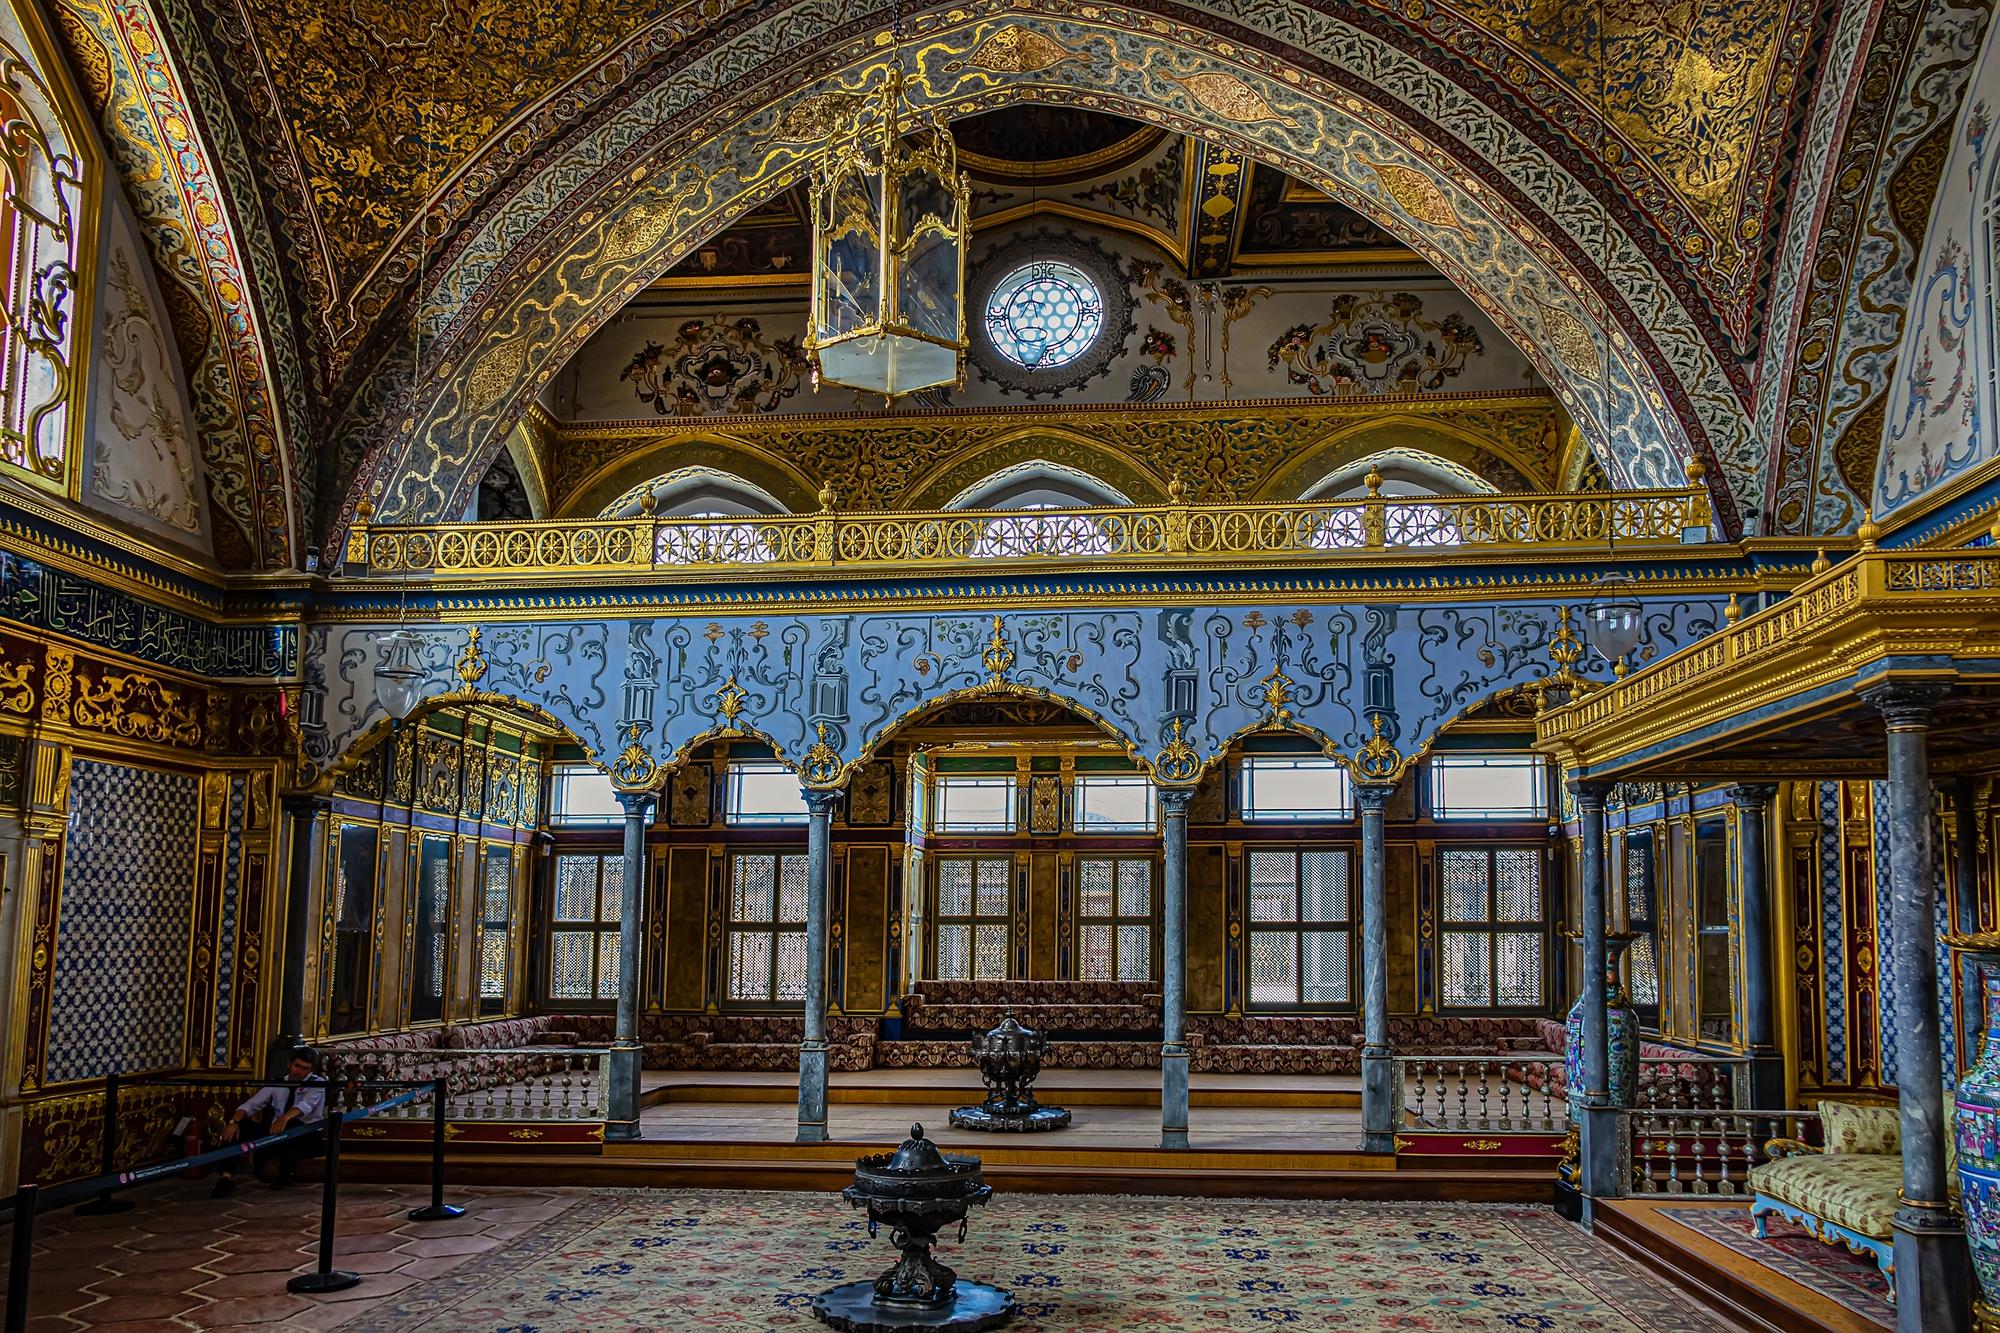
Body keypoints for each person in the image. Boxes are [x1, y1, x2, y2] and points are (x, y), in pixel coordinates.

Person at [212, 1045, 326, 1197]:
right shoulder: (278, 1082)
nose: (298, 1071)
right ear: (289, 1064)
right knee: (241, 1126)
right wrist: (234, 1122)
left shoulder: (317, 1083)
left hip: (305, 1138)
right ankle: (226, 1177)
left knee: (293, 1124)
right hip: (278, 1133)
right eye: (296, 1066)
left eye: (305, 1068)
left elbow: (304, 1106)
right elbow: (252, 1104)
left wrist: (284, 1118)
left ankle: (286, 1175)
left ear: (311, 1070)